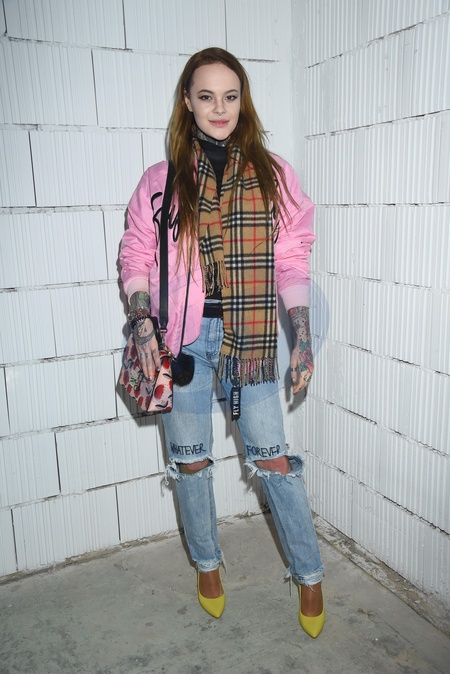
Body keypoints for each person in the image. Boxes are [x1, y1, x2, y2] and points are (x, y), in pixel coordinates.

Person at [120, 47, 325, 638]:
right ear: (187, 101)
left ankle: (309, 575)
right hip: (181, 343)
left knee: (274, 459)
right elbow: (135, 254)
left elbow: (292, 257)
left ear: (243, 101)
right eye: (206, 96)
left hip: (251, 340)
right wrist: (142, 324)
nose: (219, 108)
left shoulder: (274, 175)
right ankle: (208, 566)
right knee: (191, 462)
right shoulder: (160, 181)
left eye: (230, 96)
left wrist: (302, 339)